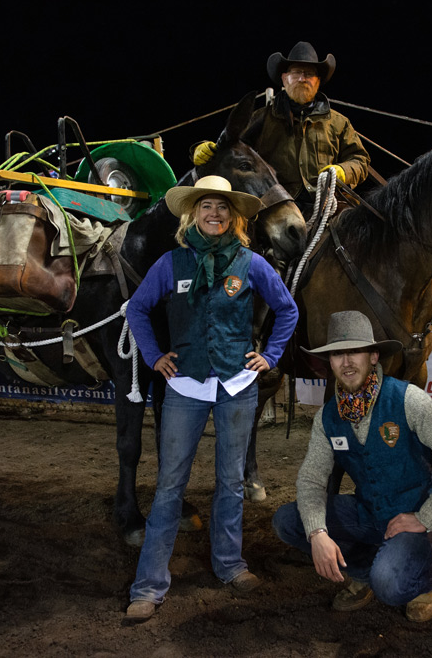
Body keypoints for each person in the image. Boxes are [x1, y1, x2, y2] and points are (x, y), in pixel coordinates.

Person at [122, 175, 299, 625]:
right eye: (206, 207)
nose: (214, 214)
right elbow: (137, 309)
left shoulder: (251, 262)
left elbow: (287, 309)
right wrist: (153, 355)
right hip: (184, 386)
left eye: (222, 207)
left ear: (234, 216)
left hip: (237, 386)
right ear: (192, 214)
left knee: (232, 482)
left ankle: (230, 565)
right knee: (168, 487)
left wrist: (271, 354)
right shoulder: (170, 263)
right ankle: (148, 585)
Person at [272, 310, 432, 622]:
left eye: (354, 352)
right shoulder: (327, 417)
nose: (347, 362)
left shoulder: (407, 399)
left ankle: (427, 578)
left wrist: (426, 517)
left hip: (415, 516)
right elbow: (311, 479)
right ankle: (365, 571)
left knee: (391, 587)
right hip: (369, 511)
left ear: (373, 356)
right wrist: (317, 534)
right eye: (338, 354)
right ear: (330, 362)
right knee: (289, 520)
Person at [194, 41, 370, 210]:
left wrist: (342, 171)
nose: (302, 78)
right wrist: (203, 148)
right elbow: (231, 148)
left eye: (309, 74)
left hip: (329, 204)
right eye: (296, 73)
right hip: (276, 205)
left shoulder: (339, 122)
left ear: (317, 81)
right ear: (284, 79)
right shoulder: (261, 118)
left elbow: (360, 160)